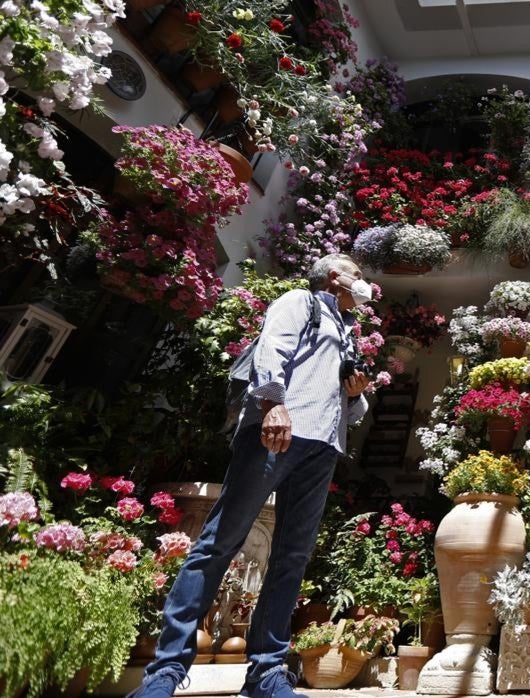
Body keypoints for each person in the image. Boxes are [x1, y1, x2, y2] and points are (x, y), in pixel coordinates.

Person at [131, 254, 374, 698]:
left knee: (293, 557)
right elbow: (272, 348)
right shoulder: (302, 300)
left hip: (322, 445)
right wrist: (273, 404)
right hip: (276, 431)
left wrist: (355, 394)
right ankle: (165, 671)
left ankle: (266, 673)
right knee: (220, 542)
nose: (364, 283)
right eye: (358, 275)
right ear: (335, 277)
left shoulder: (345, 330)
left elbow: (351, 407)